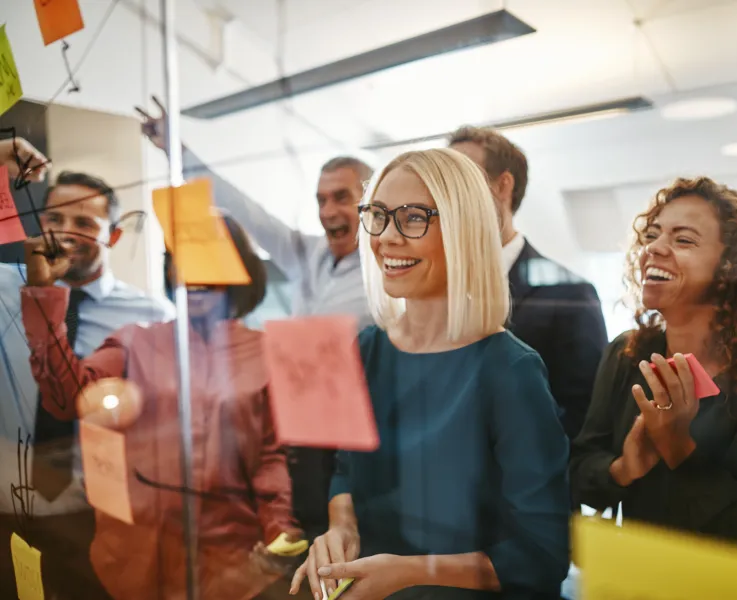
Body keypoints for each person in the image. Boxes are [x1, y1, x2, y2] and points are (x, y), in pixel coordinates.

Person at [291, 149, 571, 600]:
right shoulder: (365, 351)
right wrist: (341, 529)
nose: (387, 237)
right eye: (378, 216)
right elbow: (346, 469)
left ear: (464, 231)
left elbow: (542, 555)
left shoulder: (509, 370)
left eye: (414, 218)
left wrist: (408, 572)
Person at [21, 210, 304, 600]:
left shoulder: (269, 353)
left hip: (229, 560)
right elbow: (68, 398)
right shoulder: (136, 341)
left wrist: (280, 530)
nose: (196, 272)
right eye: (182, 258)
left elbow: (272, 457)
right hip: (134, 557)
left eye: (211, 256)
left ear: (240, 269)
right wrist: (43, 296)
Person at [137, 98, 373, 553]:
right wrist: (176, 150)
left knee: (347, 544)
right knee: (300, 537)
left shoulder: (388, 271)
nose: (327, 211)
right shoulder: (307, 254)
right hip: (297, 432)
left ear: (370, 201)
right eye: (321, 199)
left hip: (357, 436)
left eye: (342, 197)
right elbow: (244, 210)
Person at [570, 177, 737, 594]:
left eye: (684, 240)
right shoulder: (626, 354)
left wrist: (680, 449)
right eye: (652, 234)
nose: (653, 248)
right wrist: (623, 469)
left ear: (731, 268)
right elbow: (582, 468)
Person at [0, 144, 174, 600]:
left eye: (84, 223)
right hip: (7, 501)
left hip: (97, 510)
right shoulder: (4, 290)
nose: (65, 232)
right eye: (55, 219)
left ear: (113, 236)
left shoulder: (150, 313)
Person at [447, 126, 607, 441]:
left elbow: (584, 419)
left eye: (461, 180)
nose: (448, 195)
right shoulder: (434, 289)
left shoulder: (570, 293)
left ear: (503, 185)